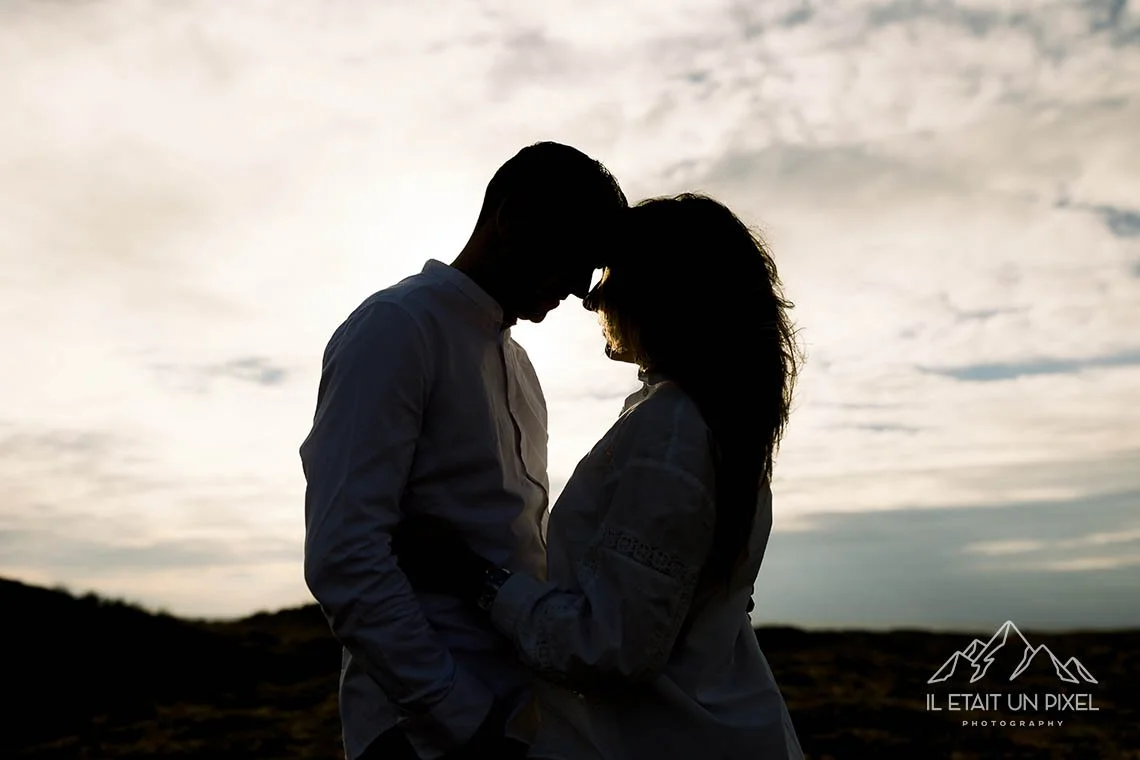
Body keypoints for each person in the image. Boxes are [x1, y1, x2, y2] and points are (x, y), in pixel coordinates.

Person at [393, 193, 805, 759]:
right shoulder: (713, 422)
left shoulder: (674, 430)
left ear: (665, 291)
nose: (592, 299)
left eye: (611, 275)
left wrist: (473, 576)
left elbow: (611, 648)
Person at [300, 142, 628, 760]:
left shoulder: (521, 367)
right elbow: (344, 553)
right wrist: (457, 714)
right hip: (419, 735)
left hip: (518, 723)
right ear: (512, 219)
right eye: (574, 258)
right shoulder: (396, 328)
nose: (580, 290)